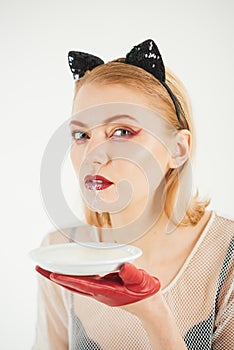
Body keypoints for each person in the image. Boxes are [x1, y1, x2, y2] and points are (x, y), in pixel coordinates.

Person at [33, 39, 233, 350]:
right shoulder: (60, 252)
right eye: (81, 135)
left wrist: (154, 315)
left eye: (122, 132)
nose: (93, 156)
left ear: (177, 150)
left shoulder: (227, 257)